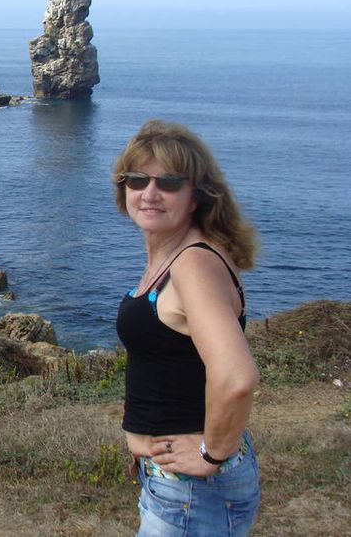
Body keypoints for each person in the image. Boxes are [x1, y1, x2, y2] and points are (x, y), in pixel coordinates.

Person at [113, 119, 261, 536]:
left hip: (195, 489)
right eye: (137, 179)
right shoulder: (176, 254)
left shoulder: (193, 263)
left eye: (170, 183)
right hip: (176, 485)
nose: (150, 193)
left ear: (196, 195)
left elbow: (237, 377)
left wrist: (210, 456)